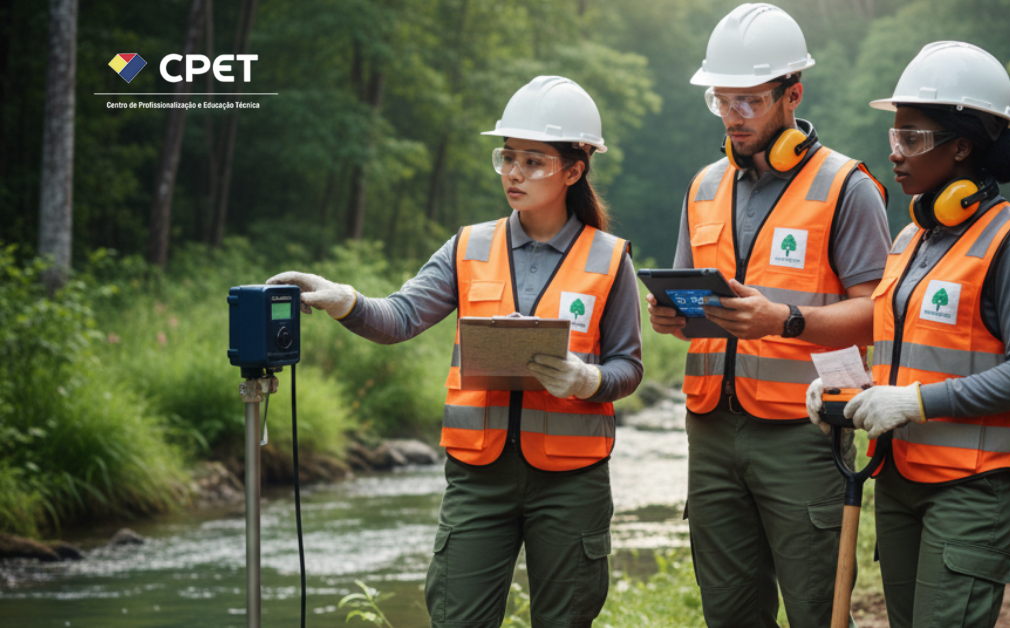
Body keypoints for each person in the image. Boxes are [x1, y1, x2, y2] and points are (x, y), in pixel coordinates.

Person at [267, 76, 642, 628]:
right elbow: (398, 319)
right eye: (508, 157)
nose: (514, 173)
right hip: (478, 475)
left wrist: (588, 380)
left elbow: (628, 368)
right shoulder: (468, 246)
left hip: (571, 480)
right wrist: (345, 300)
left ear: (573, 170)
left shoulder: (610, 260)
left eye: (533, 162)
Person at [646, 4, 891, 626]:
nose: (733, 116)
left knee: (816, 608)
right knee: (728, 613)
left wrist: (783, 320)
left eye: (749, 100)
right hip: (710, 430)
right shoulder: (702, 186)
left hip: (805, 433)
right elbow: (691, 297)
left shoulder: (847, 186)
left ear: (792, 94)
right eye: (722, 101)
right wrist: (673, 317)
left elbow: (876, 316)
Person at [807, 41, 1010, 628]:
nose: (895, 154)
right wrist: (846, 396)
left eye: (913, 139)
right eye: (894, 136)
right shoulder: (909, 241)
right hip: (901, 475)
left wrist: (916, 402)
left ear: (962, 147)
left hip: (976, 487)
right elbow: (909, 358)